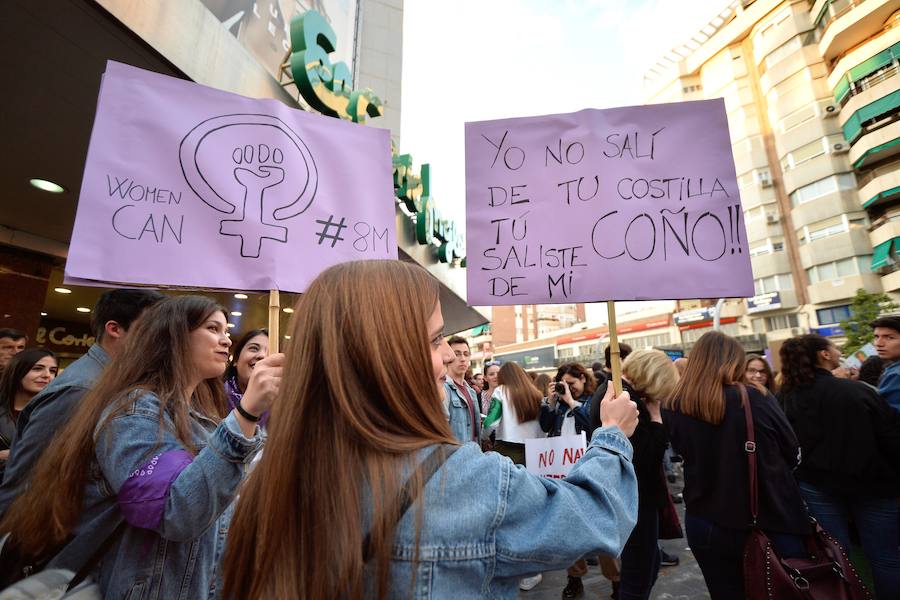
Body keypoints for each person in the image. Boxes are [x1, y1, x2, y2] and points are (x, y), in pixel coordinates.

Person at [221, 260, 640, 600]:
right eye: (436, 339)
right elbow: (597, 518)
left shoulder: (264, 474)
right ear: (388, 354)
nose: (447, 358)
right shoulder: (467, 483)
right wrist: (613, 436)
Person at [0, 295, 283, 598]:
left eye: (227, 331)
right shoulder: (135, 411)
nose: (226, 340)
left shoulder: (202, 419)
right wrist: (247, 413)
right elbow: (177, 512)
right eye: (213, 328)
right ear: (173, 336)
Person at [662, 331, 811, 600]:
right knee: (784, 589)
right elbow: (793, 452)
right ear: (735, 361)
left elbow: (681, 452)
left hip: (703, 517)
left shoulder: (672, 403)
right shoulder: (753, 396)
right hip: (765, 516)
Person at [0, 289, 163, 515]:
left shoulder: (109, 381)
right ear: (114, 329)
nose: (161, 336)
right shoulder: (80, 389)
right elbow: (26, 476)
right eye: (152, 327)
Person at [778, 334, 900, 598]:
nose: (838, 351)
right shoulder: (857, 391)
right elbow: (892, 438)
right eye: (834, 347)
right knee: (885, 556)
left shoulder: (787, 398)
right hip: (874, 484)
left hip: (817, 485)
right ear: (824, 354)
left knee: (835, 554)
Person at [589, 350, 678, 600]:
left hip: (631, 494)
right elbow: (646, 458)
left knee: (645, 567)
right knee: (639, 573)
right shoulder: (627, 401)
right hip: (635, 496)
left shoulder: (613, 391)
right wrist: (657, 418)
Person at [482, 361, 545, 591]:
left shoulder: (501, 392)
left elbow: (490, 423)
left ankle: (512, 566)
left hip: (507, 451)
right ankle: (533, 569)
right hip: (535, 453)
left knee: (508, 512)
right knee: (531, 511)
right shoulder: (536, 394)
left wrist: (484, 434)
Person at [0, 349, 58, 476]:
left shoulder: (58, 412)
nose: (47, 375)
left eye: (52, 371)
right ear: (17, 371)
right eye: (37, 369)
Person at [224, 328, 270, 428]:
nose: (262, 356)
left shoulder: (282, 408)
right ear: (236, 359)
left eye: (269, 353)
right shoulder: (211, 398)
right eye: (254, 348)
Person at [539, 362, 596, 437]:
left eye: (571, 383)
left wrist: (571, 402)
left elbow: (592, 427)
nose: (568, 389)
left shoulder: (593, 401)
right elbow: (545, 427)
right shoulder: (558, 403)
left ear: (583, 378)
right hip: (561, 448)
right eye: (565, 385)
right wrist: (551, 404)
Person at [444, 335, 481, 443]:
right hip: (455, 456)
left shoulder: (472, 392)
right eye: (457, 354)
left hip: (473, 454)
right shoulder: (443, 389)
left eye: (466, 354)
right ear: (448, 357)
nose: (463, 359)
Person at [872, 315, 900, 411]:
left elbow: (886, 416)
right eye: (876, 337)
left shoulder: (896, 374)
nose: (878, 343)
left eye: (889, 338)